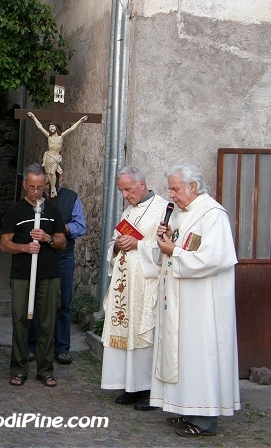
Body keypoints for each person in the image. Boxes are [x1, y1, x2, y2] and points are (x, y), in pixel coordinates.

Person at [149, 164, 240, 437]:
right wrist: (164, 242)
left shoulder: (212, 215)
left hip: (203, 304)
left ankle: (205, 420)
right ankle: (188, 409)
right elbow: (174, 248)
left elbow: (214, 258)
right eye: (171, 189)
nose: (172, 195)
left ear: (193, 187)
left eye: (176, 189)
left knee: (201, 356)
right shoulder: (181, 214)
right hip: (181, 300)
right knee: (185, 355)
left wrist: (173, 250)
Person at [100, 166, 168, 410]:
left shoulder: (162, 208)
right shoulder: (128, 210)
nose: (125, 195)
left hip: (145, 285)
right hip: (124, 286)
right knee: (123, 331)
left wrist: (138, 243)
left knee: (143, 334)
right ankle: (129, 385)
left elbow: (165, 247)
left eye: (128, 189)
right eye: (121, 190)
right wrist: (117, 245)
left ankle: (149, 389)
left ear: (142, 184)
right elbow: (114, 244)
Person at [0, 163, 66, 387]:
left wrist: (47, 238)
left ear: (45, 185)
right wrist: (25, 248)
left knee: (47, 322)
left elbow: (61, 242)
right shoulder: (15, 211)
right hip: (21, 275)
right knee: (20, 321)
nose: (35, 192)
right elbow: (4, 244)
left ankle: (45, 369)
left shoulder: (53, 210)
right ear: (24, 186)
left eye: (39, 187)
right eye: (31, 187)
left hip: (48, 274)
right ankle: (18, 369)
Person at [27, 171, 87, 365]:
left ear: (61, 177)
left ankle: (62, 348)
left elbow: (80, 226)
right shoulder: (34, 197)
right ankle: (32, 346)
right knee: (35, 300)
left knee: (64, 301)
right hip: (41, 254)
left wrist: (61, 228)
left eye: (55, 176)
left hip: (64, 255)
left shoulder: (71, 197)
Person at [27, 112, 87, 198]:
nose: (51, 128)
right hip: (49, 156)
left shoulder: (61, 137)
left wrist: (80, 121)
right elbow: (40, 127)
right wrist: (34, 117)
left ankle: (53, 189)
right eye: (50, 127)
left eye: (53, 126)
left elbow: (71, 129)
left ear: (56, 128)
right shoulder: (49, 137)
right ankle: (51, 189)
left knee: (52, 172)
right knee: (48, 173)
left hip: (55, 157)